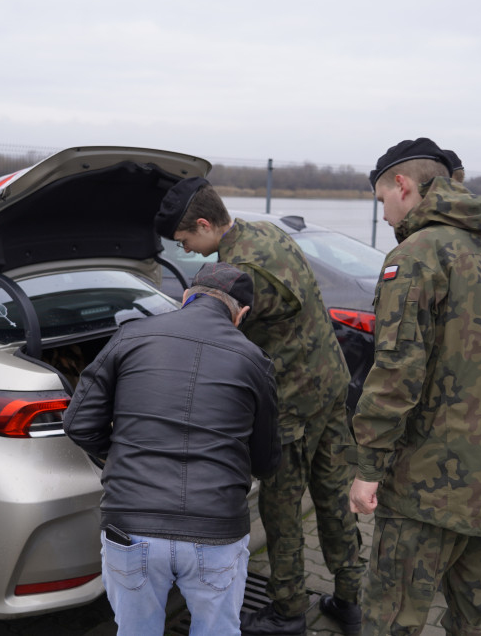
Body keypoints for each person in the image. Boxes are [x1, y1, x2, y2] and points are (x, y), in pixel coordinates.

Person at [155, 179, 365, 636]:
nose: (187, 250)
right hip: (330, 383)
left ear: (206, 224)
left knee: (281, 506)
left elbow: (219, 339)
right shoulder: (268, 232)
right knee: (332, 496)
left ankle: (288, 610)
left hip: (292, 404)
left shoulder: (240, 271)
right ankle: (351, 598)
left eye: (185, 240)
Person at [349, 138, 481, 635]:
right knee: (476, 621)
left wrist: (367, 468)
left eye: (383, 197)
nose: (385, 212)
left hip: (427, 488)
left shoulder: (414, 255)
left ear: (403, 185)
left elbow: (396, 372)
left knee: (390, 619)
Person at [64, 262, 281, 636]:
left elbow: (78, 423)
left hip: (131, 523)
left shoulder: (129, 336)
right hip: (216, 527)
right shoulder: (254, 361)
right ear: (241, 314)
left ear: (186, 297)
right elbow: (266, 462)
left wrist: (120, 456)